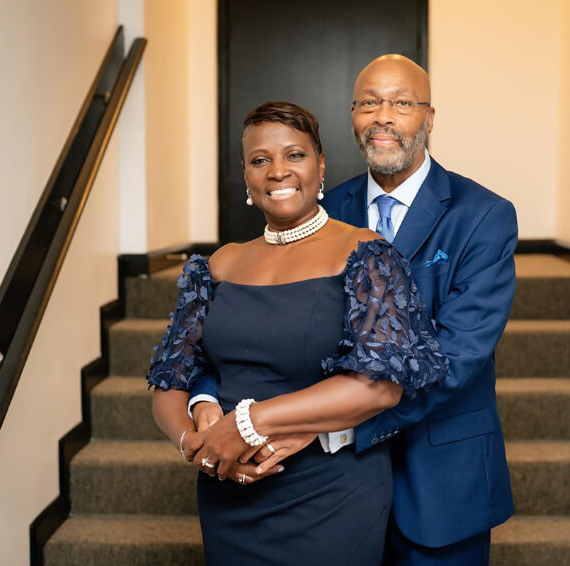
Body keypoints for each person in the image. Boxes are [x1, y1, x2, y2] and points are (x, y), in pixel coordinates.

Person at [191, 55, 519, 565]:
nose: (383, 115)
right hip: (320, 492)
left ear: (429, 118)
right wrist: (206, 399)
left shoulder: (483, 216)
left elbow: (455, 356)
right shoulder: (318, 205)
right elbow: (250, 327)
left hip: (437, 481)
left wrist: (330, 425)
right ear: (352, 117)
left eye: (402, 103)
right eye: (369, 102)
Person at [147, 101, 448, 566]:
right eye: (260, 160)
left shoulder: (366, 253)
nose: (278, 172)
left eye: (295, 155)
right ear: (245, 175)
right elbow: (170, 378)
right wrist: (196, 443)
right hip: (230, 491)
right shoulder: (219, 264)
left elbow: (381, 386)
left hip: (330, 490)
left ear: (321, 165)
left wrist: (247, 423)